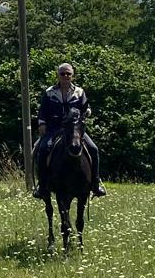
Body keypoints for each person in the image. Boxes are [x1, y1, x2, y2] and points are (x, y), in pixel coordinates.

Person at [33, 62, 106, 200]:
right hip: (55, 128)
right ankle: (42, 186)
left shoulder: (79, 92)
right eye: (63, 74)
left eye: (68, 74)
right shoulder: (49, 92)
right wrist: (42, 123)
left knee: (94, 149)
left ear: (72, 76)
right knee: (43, 149)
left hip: (74, 130)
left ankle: (95, 184)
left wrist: (87, 113)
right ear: (58, 76)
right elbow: (42, 111)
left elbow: (86, 108)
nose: (66, 76)